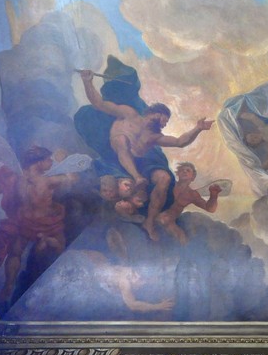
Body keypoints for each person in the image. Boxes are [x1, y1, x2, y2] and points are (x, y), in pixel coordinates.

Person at [78, 69, 213, 241]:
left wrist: (198, 129)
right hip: (116, 159)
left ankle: (149, 222)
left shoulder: (154, 137)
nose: (163, 124)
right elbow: (99, 104)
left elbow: (180, 141)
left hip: (141, 163)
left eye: (165, 123)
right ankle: (134, 185)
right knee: (122, 141)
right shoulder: (129, 114)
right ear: (152, 112)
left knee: (164, 178)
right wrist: (87, 81)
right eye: (163, 118)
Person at [0, 146, 79, 306]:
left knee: (15, 252)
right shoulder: (46, 180)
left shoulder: (17, 176)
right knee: (61, 248)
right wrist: (66, 161)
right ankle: (47, 243)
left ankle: (8, 284)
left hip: (25, 220)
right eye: (48, 160)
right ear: (39, 162)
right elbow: (73, 179)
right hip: (47, 221)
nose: (51, 162)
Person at [156, 163, 222, 245]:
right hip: (155, 217)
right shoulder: (169, 184)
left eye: (188, 170)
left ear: (193, 177)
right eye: (182, 170)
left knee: (182, 239)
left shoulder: (192, 194)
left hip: (169, 222)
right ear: (178, 174)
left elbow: (210, 209)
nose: (184, 171)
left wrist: (214, 195)